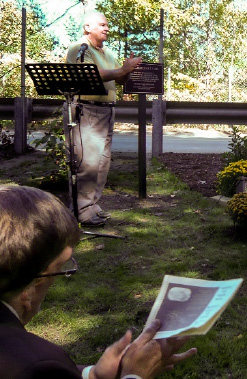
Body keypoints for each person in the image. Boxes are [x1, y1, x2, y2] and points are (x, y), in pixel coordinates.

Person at [0, 185, 197, 379]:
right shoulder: (34, 364)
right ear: (28, 289)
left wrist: (92, 375)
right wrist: (135, 375)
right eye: (58, 271)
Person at [65, 12, 142, 227]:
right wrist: (123, 69)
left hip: (107, 110)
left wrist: (128, 70)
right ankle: (81, 209)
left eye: (108, 25)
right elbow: (91, 74)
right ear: (87, 27)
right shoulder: (79, 48)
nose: (107, 28)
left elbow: (118, 77)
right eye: (102, 24)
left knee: (102, 161)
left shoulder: (107, 52)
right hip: (87, 109)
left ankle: (91, 206)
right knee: (88, 162)